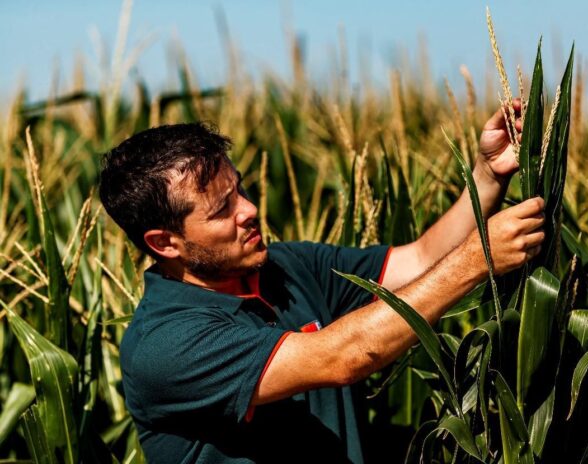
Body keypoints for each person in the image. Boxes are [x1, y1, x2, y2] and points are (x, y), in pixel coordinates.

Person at [98, 99, 545, 464]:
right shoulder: (165, 344)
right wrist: (475, 262)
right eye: (222, 210)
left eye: (240, 189)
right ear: (165, 243)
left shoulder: (285, 267)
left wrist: (488, 177)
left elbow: (422, 260)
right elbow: (342, 357)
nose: (249, 210)